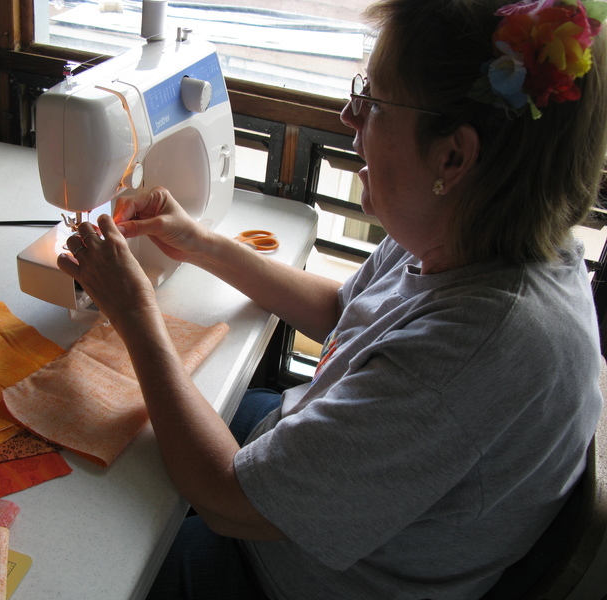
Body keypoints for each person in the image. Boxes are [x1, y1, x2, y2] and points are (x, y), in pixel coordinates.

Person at [57, 0, 607, 597]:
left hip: (290, 577)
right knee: (109, 443)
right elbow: (347, 311)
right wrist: (201, 244)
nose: (347, 114)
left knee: (91, 559)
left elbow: (226, 501)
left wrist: (135, 313)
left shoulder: (477, 351)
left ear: (454, 155)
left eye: (372, 102)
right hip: (308, 486)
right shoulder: (468, 229)